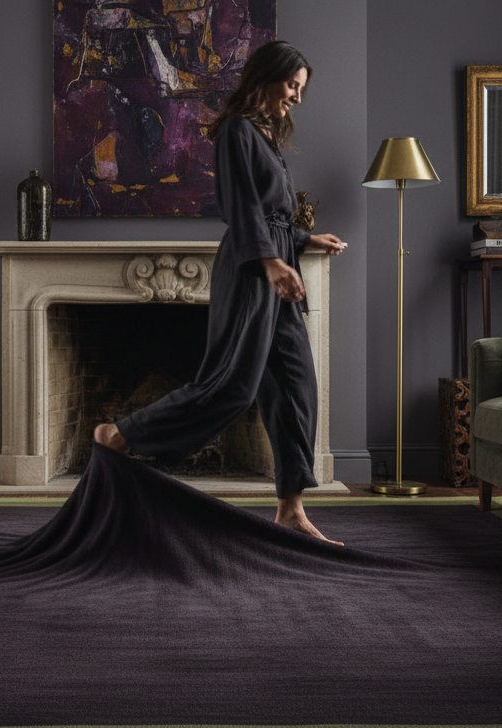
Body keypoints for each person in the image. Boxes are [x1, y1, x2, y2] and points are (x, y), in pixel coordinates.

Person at [94, 40, 347, 545]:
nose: (297, 97)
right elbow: (240, 206)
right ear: (268, 77)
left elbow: (271, 214)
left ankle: (291, 508)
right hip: (252, 272)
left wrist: (301, 239)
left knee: (297, 388)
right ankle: (119, 433)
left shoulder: (267, 134)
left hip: (276, 265)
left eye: (301, 90)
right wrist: (273, 262)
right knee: (231, 386)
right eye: (292, 86)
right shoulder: (236, 130)